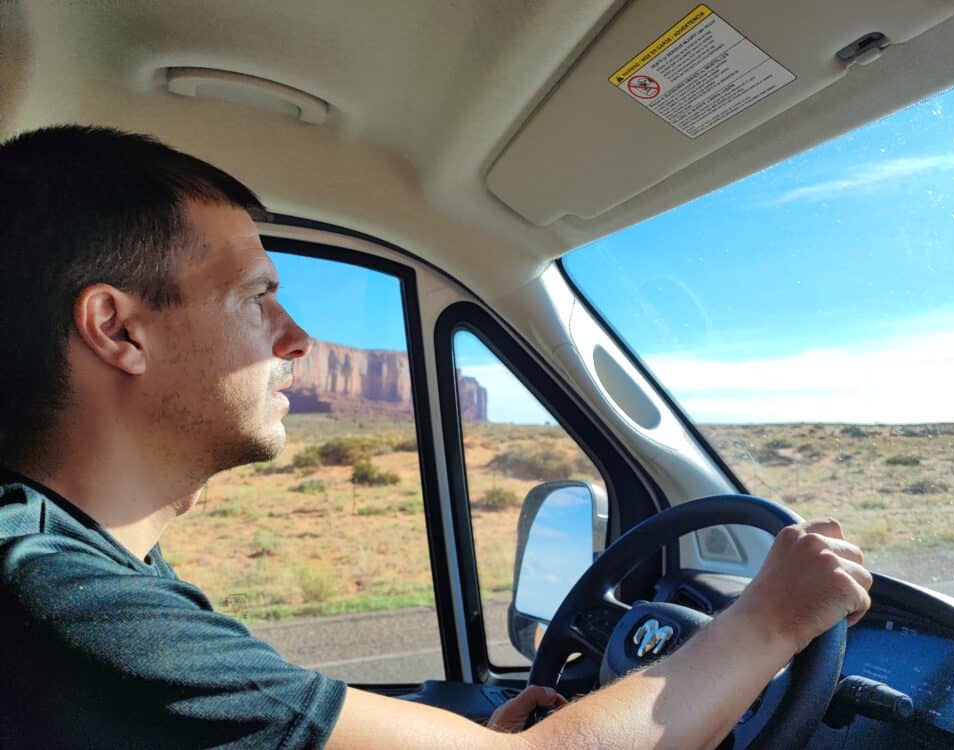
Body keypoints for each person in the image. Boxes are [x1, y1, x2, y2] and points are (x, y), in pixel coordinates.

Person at [0, 125, 872, 749]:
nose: (297, 337)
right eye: (255, 296)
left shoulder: (83, 565)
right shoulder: (63, 608)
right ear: (118, 330)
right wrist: (769, 619)